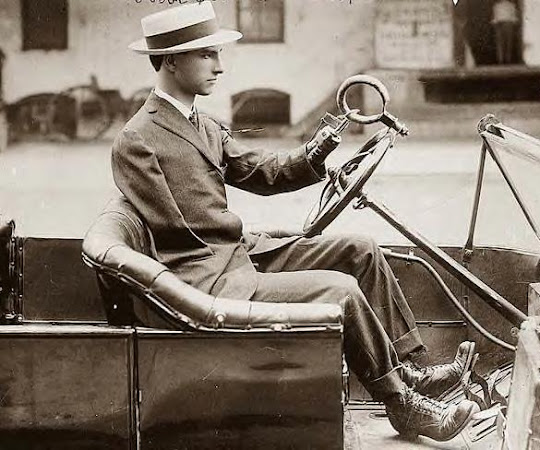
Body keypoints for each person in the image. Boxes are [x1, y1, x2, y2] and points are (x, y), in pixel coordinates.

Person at [114, 2, 479, 442]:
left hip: (240, 256)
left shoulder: (203, 124)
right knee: (339, 290)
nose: (220, 66)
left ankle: (412, 371)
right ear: (171, 59)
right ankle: (401, 403)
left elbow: (261, 173)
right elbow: (178, 238)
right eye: (206, 55)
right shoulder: (138, 138)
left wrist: (317, 149)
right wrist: (242, 243)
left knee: (359, 250)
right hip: (209, 282)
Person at [491, 0, 519, 64]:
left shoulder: (511, 5)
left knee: (507, 43)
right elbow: (494, 18)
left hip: (508, 24)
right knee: (501, 43)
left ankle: (506, 60)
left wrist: (513, 23)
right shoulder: (496, 6)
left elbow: (514, 17)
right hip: (500, 24)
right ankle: (501, 60)